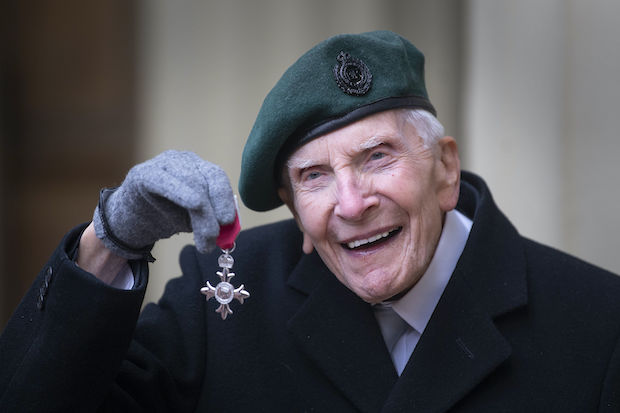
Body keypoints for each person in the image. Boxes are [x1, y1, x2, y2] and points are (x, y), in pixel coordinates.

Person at [1, 30, 620, 412]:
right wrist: (111, 240)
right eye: (313, 177)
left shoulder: (598, 324)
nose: (351, 204)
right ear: (296, 212)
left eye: (377, 157)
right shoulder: (226, 303)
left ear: (446, 170)